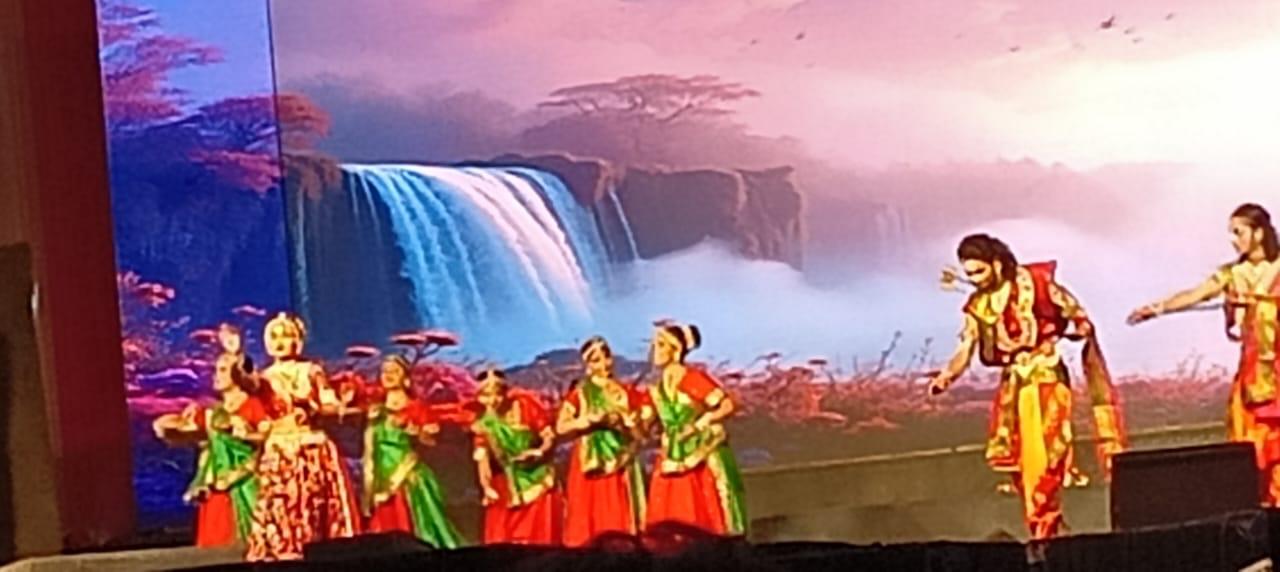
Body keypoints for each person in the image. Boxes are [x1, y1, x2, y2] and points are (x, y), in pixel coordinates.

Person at [928, 234, 1124, 540]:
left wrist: (1077, 329)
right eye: (970, 274)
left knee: (1044, 459)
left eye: (979, 272)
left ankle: (1046, 530)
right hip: (1013, 387)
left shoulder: (1036, 283)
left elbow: (1075, 314)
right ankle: (1046, 530)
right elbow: (966, 347)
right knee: (1021, 466)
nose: (975, 280)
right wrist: (947, 376)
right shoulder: (978, 305)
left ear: (997, 264)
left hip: (1046, 378)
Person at [1129, 203, 1280, 503]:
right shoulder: (1232, 274)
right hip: (1253, 380)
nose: (1233, 240)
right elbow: (1195, 295)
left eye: (1238, 232)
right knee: (1251, 451)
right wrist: (1158, 308)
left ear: (1259, 233)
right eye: (1231, 233)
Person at [245, 312, 360, 561]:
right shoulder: (265, 378)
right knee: (282, 507)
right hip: (280, 451)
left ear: (298, 341)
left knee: (312, 505)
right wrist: (236, 357)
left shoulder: (311, 371)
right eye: (274, 336)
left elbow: (328, 403)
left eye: (286, 336)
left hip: (311, 448)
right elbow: (247, 384)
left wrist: (319, 407)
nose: (280, 341)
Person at [153, 343, 266, 547]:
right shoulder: (213, 413)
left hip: (245, 483)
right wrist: (177, 420)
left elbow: (267, 439)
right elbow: (166, 429)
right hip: (217, 485)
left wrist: (245, 434)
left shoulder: (253, 406)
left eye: (222, 370)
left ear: (237, 374)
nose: (216, 376)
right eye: (216, 370)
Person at [643, 323, 748, 537]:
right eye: (654, 345)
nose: (655, 350)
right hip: (673, 452)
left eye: (661, 345)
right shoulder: (657, 388)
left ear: (676, 349)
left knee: (704, 509)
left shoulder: (692, 379)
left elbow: (727, 405)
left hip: (700, 452)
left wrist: (701, 423)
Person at [362, 354, 463, 548]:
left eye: (394, 371)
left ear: (406, 378)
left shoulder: (416, 407)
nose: (388, 375)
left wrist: (416, 432)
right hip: (381, 475)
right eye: (385, 371)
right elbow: (369, 447)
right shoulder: (375, 410)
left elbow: (430, 442)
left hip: (407, 475)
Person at [557, 336, 647, 546]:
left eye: (606, 357)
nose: (604, 364)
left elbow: (641, 435)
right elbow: (561, 427)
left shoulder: (626, 393)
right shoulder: (581, 394)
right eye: (596, 360)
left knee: (619, 510)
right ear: (588, 365)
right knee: (589, 511)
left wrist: (624, 424)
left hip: (621, 459)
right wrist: (588, 420)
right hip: (590, 460)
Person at [470, 368, 561, 545]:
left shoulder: (525, 406)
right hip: (508, 482)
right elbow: (482, 460)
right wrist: (486, 487)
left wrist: (540, 451)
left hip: (536, 477)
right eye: (486, 396)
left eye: (497, 394)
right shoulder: (484, 425)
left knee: (540, 536)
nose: (492, 400)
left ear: (505, 392)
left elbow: (548, 435)